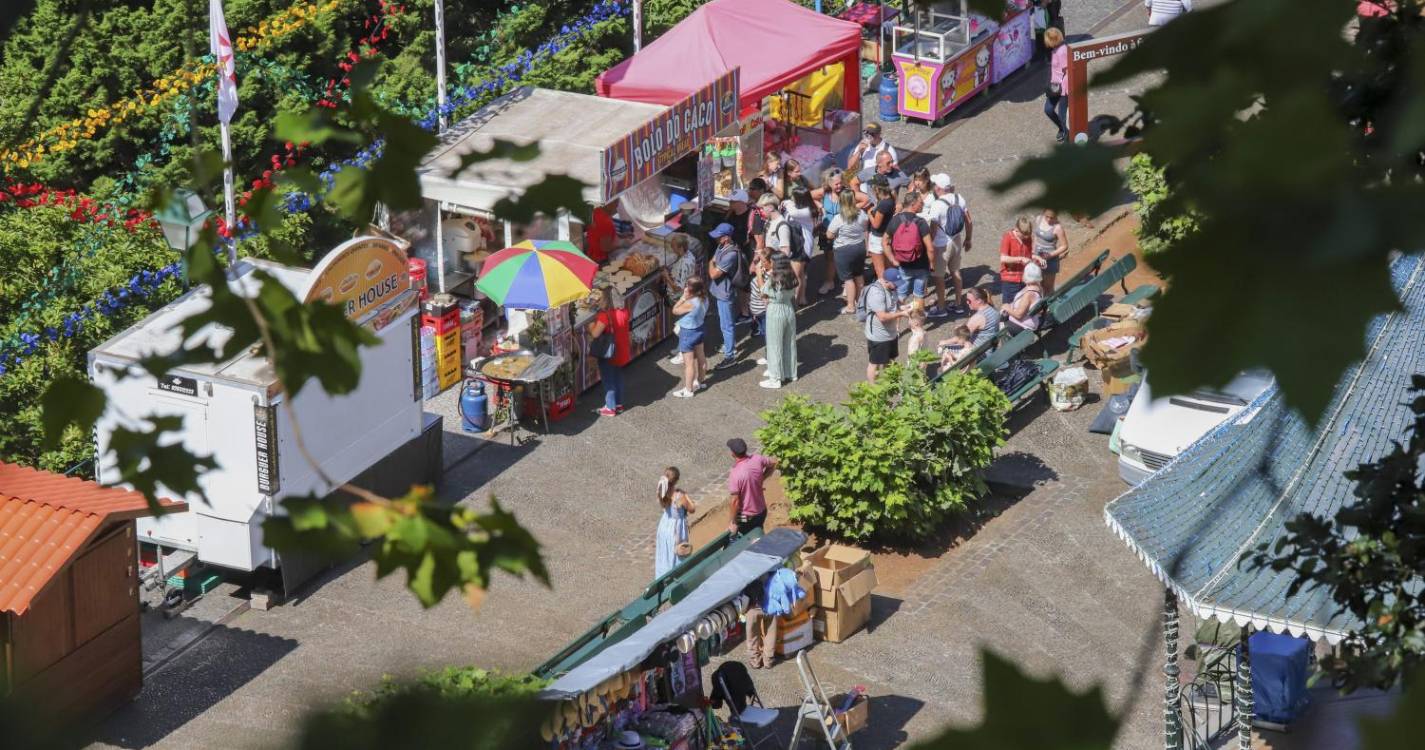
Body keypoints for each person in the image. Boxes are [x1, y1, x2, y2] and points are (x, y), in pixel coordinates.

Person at [883, 190, 935, 301]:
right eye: (920, 203)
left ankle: (898, 316)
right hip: (921, 265)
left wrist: (892, 260)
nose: (923, 205)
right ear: (913, 204)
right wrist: (931, 263)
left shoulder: (895, 220)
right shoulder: (921, 222)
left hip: (902, 265)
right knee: (919, 295)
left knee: (901, 294)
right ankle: (915, 318)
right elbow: (930, 248)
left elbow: (885, 241)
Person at [706, 222, 743, 370]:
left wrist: (711, 262)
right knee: (726, 323)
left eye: (719, 236)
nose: (716, 239)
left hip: (725, 293)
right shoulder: (722, 246)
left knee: (726, 325)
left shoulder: (731, 254)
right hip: (720, 291)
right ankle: (730, 346)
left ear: (726, 238)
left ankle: (730, 356)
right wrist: (713, 262)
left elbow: (713, 273)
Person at [826, 188, 869, 314]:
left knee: (848, 279)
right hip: (859, 247)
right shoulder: (862, 214)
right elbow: (865, 228)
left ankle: (850, 306)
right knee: (859, 275)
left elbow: (829, 235)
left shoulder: (839, 218)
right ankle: (860, 303)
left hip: (844, 250)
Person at [587, 288, 629, 416]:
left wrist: (590, 324)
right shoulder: (624, 311)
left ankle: (610, 408)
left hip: (609, 352)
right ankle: (619, 404)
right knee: (617, 376)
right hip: (621, 349)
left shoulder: (605, 316)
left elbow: (595, 333)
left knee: (608, 379)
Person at [759, 257, 799, 389]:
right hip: (788, 309)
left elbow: (763, 294)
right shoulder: (792, 276)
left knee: (774, 345)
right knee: (789, 343)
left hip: (775, 311)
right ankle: (790, 373)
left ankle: (775, 378)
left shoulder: (773, 279)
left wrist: (759, 274)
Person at [864, 268, 908, 382]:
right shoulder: (876, 293)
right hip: (879, 336)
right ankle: (874, 390)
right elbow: (882, 317)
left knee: (891, 359)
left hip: (891, 333)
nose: (898, 286)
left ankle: (889, 382)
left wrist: (904, 308)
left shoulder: (892, 288)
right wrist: (902, 313)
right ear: (886, 281)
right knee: (875, 363)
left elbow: (894, 305)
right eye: (896, 284)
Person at [725, 438, 777, 536]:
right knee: (757, 532)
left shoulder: (735, 473)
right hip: (761, 512)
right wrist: (761, 479)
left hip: (746, 517)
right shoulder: (757, 459)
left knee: (740, 535)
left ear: (733, 454)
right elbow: (773, 463)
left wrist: (732, 521)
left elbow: (735, 501)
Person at [670, 277, 709, 398]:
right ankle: (701, 381)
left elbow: (675, 311)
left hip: (688, 333)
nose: (685, 288)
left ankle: (688, 389)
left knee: (689, 363)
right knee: (701, 356)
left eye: (687, 286)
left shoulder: (690, 303)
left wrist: (682, 298)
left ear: (693, 290)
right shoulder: (705, 298)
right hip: (700, 329)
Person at [654, 467, 696, 578]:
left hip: (664, 526)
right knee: (678, 554)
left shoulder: (662, 491)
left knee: (664, 555)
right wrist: (686, 495)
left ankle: (661, 578)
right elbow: (692, 509)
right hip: (676, 529)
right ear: (676, 480)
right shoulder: (680, 496)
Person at [663, 233, 698, 366]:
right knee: (681, 324)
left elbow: (678, 287)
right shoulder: (688, 256)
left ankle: (683, 352)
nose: (672, 250)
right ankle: (680, 347)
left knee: (681, 326)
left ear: (681, 247)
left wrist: (666, 276)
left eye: (674, 247)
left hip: (680, 297)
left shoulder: (685, 262)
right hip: (683, 296)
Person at [780, 184, 818, 304]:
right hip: (798, 244)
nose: (791, 199)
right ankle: (802, 298)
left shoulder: (805, 211)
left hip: (802, 246)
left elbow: (793, 213)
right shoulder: (802, 208)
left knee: (795, 276)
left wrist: (786, 203)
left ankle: (794, 302)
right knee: (801, 274)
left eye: (793, 197)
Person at [813, 169, 848, 296]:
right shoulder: (825, 193)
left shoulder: (846, 193)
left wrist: (852, 210)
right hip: (826, 230)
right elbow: (809, 195)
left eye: (840, 183)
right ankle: (829, 281)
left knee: (844, 257)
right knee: (829, 257)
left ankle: (846, 283)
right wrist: (820, 206)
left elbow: (864, 199)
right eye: (836, 184)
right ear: (829, 183)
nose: (839, 186)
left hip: (842, 231)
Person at [999, 216, 1043, 304]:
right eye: (1024, 234)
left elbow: (1029, 255)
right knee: (1009, 305)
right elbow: (1003, 258)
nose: (1026, 237)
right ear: (1016, 229)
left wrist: (1037, 258)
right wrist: (1020, 259)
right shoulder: (1008, 237)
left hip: (1025, 279)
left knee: (1022, 304)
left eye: (1028, 235)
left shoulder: (1027, 238)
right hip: (1010, 280)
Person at [1032, 208, 1069, 294]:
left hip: (1050, 260)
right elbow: (1036, 237)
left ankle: (1049, 306)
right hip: (1037, 257)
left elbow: (1064, 246)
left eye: (1052, 217)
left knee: (1048, 287)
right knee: (1038, 284)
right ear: (1043, 213)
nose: (1049, 219)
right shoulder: (1038, 219)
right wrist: (1033, 251)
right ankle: (1041, 305)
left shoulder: (1058, 227)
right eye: (1047, 217)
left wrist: (1049, 255)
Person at [1001, 262, 1044, 335]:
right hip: (1032, 320)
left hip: (1022, 326)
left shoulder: (1029, 294)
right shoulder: (1039, 287)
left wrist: (1007, 308)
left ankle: (1005, 344)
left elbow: (1018, 315)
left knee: (998, 322)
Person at [1045, 27, 1070, 142]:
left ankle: (1066, 134)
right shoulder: (1055, 50)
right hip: (1054, 87)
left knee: (1062, 114)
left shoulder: (1063, 51)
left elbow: (1067, 70)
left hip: (1063, 88)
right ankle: (1062, 128)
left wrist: (1064, 88)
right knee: (1048, 109)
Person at [866, 180, 896, 275]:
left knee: (880, 271)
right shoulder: (891, 198)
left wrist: (869, 213)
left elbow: (876, 225)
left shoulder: (883, 205)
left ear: (877, 190)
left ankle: (883, 289)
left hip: (877, 239)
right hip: (887, 236)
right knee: (889, 268)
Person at [748, 248, 771, 338]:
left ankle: (770, 350)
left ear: (771, 261)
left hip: (764, 312)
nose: (760, 263)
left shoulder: (770, 275)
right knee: (763, 331)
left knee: (768, 335)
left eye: (763, 261)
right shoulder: (763, 270)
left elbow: (764, 293)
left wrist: (758, 275)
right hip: (758, 312)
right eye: (760, 260)